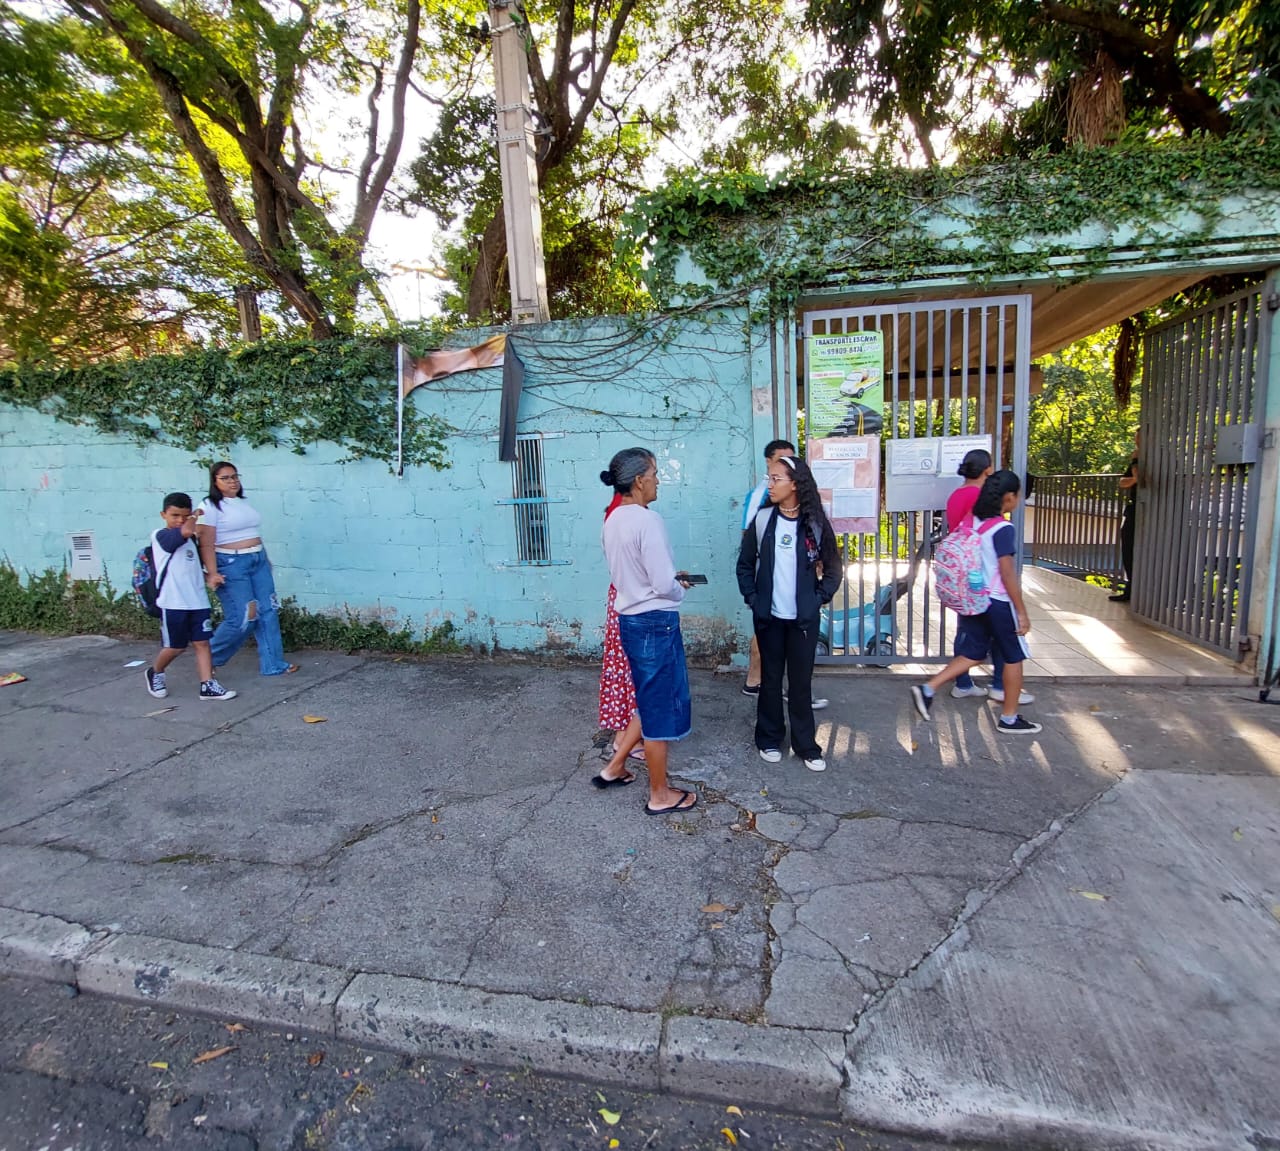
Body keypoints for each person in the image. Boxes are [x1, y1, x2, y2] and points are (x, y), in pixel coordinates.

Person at [597, 448, 699, 814]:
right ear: (639, 480)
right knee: (660, 710)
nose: (657, 481)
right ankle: (660, 794)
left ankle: (617, 765)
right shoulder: (647, 520)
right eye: (654, 474)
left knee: (647, 697)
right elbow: (661, 582)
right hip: (655, 621)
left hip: (630, 619)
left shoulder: (613, 520)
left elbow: (629, 573)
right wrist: (678, 587)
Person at [909, 470, 1041, 735]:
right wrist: (1021, 611)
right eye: (1018, 495)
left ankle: (928, 688)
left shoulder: (974, 521)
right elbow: (1006, 573)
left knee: (974, 652)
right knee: (1014, 657)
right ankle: (1009, 719)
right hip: (997, 601)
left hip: (974, 599)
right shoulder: (1003, 529)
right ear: (1009, 497)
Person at [736, 455, 843, 771]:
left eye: (775, 479)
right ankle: (769, 739)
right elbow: (744, 565)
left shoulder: (815, 524)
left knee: (800, 683)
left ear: (794, 483)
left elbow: (834, 568)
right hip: (768, 617)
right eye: (769, 478)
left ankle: (806, 746)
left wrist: (818, 597)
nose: (769, 485)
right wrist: (753, 598)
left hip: (802, 621)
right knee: (770, 680)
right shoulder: (763, 519)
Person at [740, 439, 828, 710]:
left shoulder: (813, 518)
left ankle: (797, 703)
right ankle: (757, 687)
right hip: (768, 596)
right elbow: (748, 548)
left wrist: (818, 595)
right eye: (782, 460)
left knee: (798, 669)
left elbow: (830, 562)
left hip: (799, 603)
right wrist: (754, 597)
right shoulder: (760, 502)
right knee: (770, 663)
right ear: (769, 462)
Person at [946, 450, 1034, 707]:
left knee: (968, 633)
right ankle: (1000, 686)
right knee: (1000, 638)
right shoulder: (979, 498)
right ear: (987, 469)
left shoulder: (956, 495)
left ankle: (961, 683)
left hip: (966, 577)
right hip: (984, 580)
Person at [196, 462, 299, 677]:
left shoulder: (242, 502)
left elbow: (252, 532)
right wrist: (212, 572)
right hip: (231, 564)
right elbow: (206, 542)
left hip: (257, 559)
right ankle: (209, 658)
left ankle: (273, 663)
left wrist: (265, 558)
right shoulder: (210, 506)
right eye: (225, 478)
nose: (232, 481)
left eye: (235, 476)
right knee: (244, 616)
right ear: (214, 481)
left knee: (268, 611)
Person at [144, 492, 237, 702]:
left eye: (184, 516)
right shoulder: (161, 536)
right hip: (173, 602)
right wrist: (195, 516)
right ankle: (155, 671)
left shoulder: (190, 541)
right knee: (176, 646)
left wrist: (210, 577)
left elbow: (191, 567)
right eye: (175, 515)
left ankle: (207, 685)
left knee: (202, 643)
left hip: (197, 601)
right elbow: (186, 531)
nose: (180, 521)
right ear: (163, 514)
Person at [597, 490, 645, 777]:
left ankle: (624, 734)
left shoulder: (614, 512)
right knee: (631, 670)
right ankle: (623, 737)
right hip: (631, 601)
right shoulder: (626, 514)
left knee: (623, 668)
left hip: (621, 597)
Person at [1111, 430, 1140, 603]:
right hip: (1134, 509)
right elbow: (1124, 481)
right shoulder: (1135, 462)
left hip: (1154, 514)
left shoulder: (1161, 458)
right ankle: (1131, 586)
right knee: (1128, 547)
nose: (1137, 444)